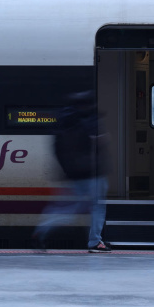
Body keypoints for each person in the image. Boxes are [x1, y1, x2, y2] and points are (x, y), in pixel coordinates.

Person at [34, 90, 112, 253]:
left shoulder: (63, 121)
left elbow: (56, 148)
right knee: (97, 207)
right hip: (92, 173)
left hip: (72, 174)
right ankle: (95, 242)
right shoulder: (90, 120)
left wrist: (65, 170)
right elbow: (100, 143)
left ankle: (43, 228)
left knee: (69, 207)